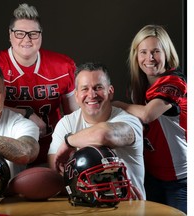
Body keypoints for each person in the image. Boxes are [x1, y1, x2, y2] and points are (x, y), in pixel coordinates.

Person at [0, 3, 79, 166]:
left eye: (33, 34)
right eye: (20, 33)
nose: (27, 39)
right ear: (10, 35)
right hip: (7, 152)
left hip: (53, 150)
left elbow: (75, 117)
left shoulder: (63, 66)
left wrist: (72, 148)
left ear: (41, 35)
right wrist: (25, 113)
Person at [112, 24, 187, 213]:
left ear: (167, 53)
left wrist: (117, 104)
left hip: (180, 178)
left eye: (156, 51)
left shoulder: (175, 81)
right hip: (151, 175)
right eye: (143, 52)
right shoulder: (138, 86)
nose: (149, 58)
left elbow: (147, 114)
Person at [48, 62, 146, 200]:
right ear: (76, 96)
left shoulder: (129, 121)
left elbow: (103, 134)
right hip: (85, 207)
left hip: (127, 207)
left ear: (110, 91)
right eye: (84, 89)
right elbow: (56, 175)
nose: (91, 95)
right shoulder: (66, 124)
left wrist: (68, 141)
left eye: (98, 87)